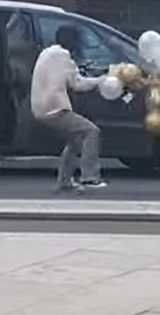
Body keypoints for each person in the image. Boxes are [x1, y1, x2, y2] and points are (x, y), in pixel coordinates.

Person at [30, 26, 108, 191]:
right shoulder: (63, 56)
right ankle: (90, 177)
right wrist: (101, 80)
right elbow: (78, 84)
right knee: (91, 131)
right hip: (55, 107)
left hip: (40, 106)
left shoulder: (48, 53)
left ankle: (64, 181)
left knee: (75, 140)